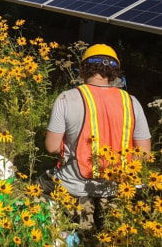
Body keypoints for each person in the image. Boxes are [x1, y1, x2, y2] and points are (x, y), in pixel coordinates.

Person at [37, 44, 151, 232]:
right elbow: (145, 153)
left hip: (73, 186)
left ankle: (62, 220)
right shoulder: (131, 101)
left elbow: (51, 147)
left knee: (40, 183)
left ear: (82, 70)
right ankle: (103, 214)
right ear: (114, 72)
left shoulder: (67, 98)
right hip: (116, 188)